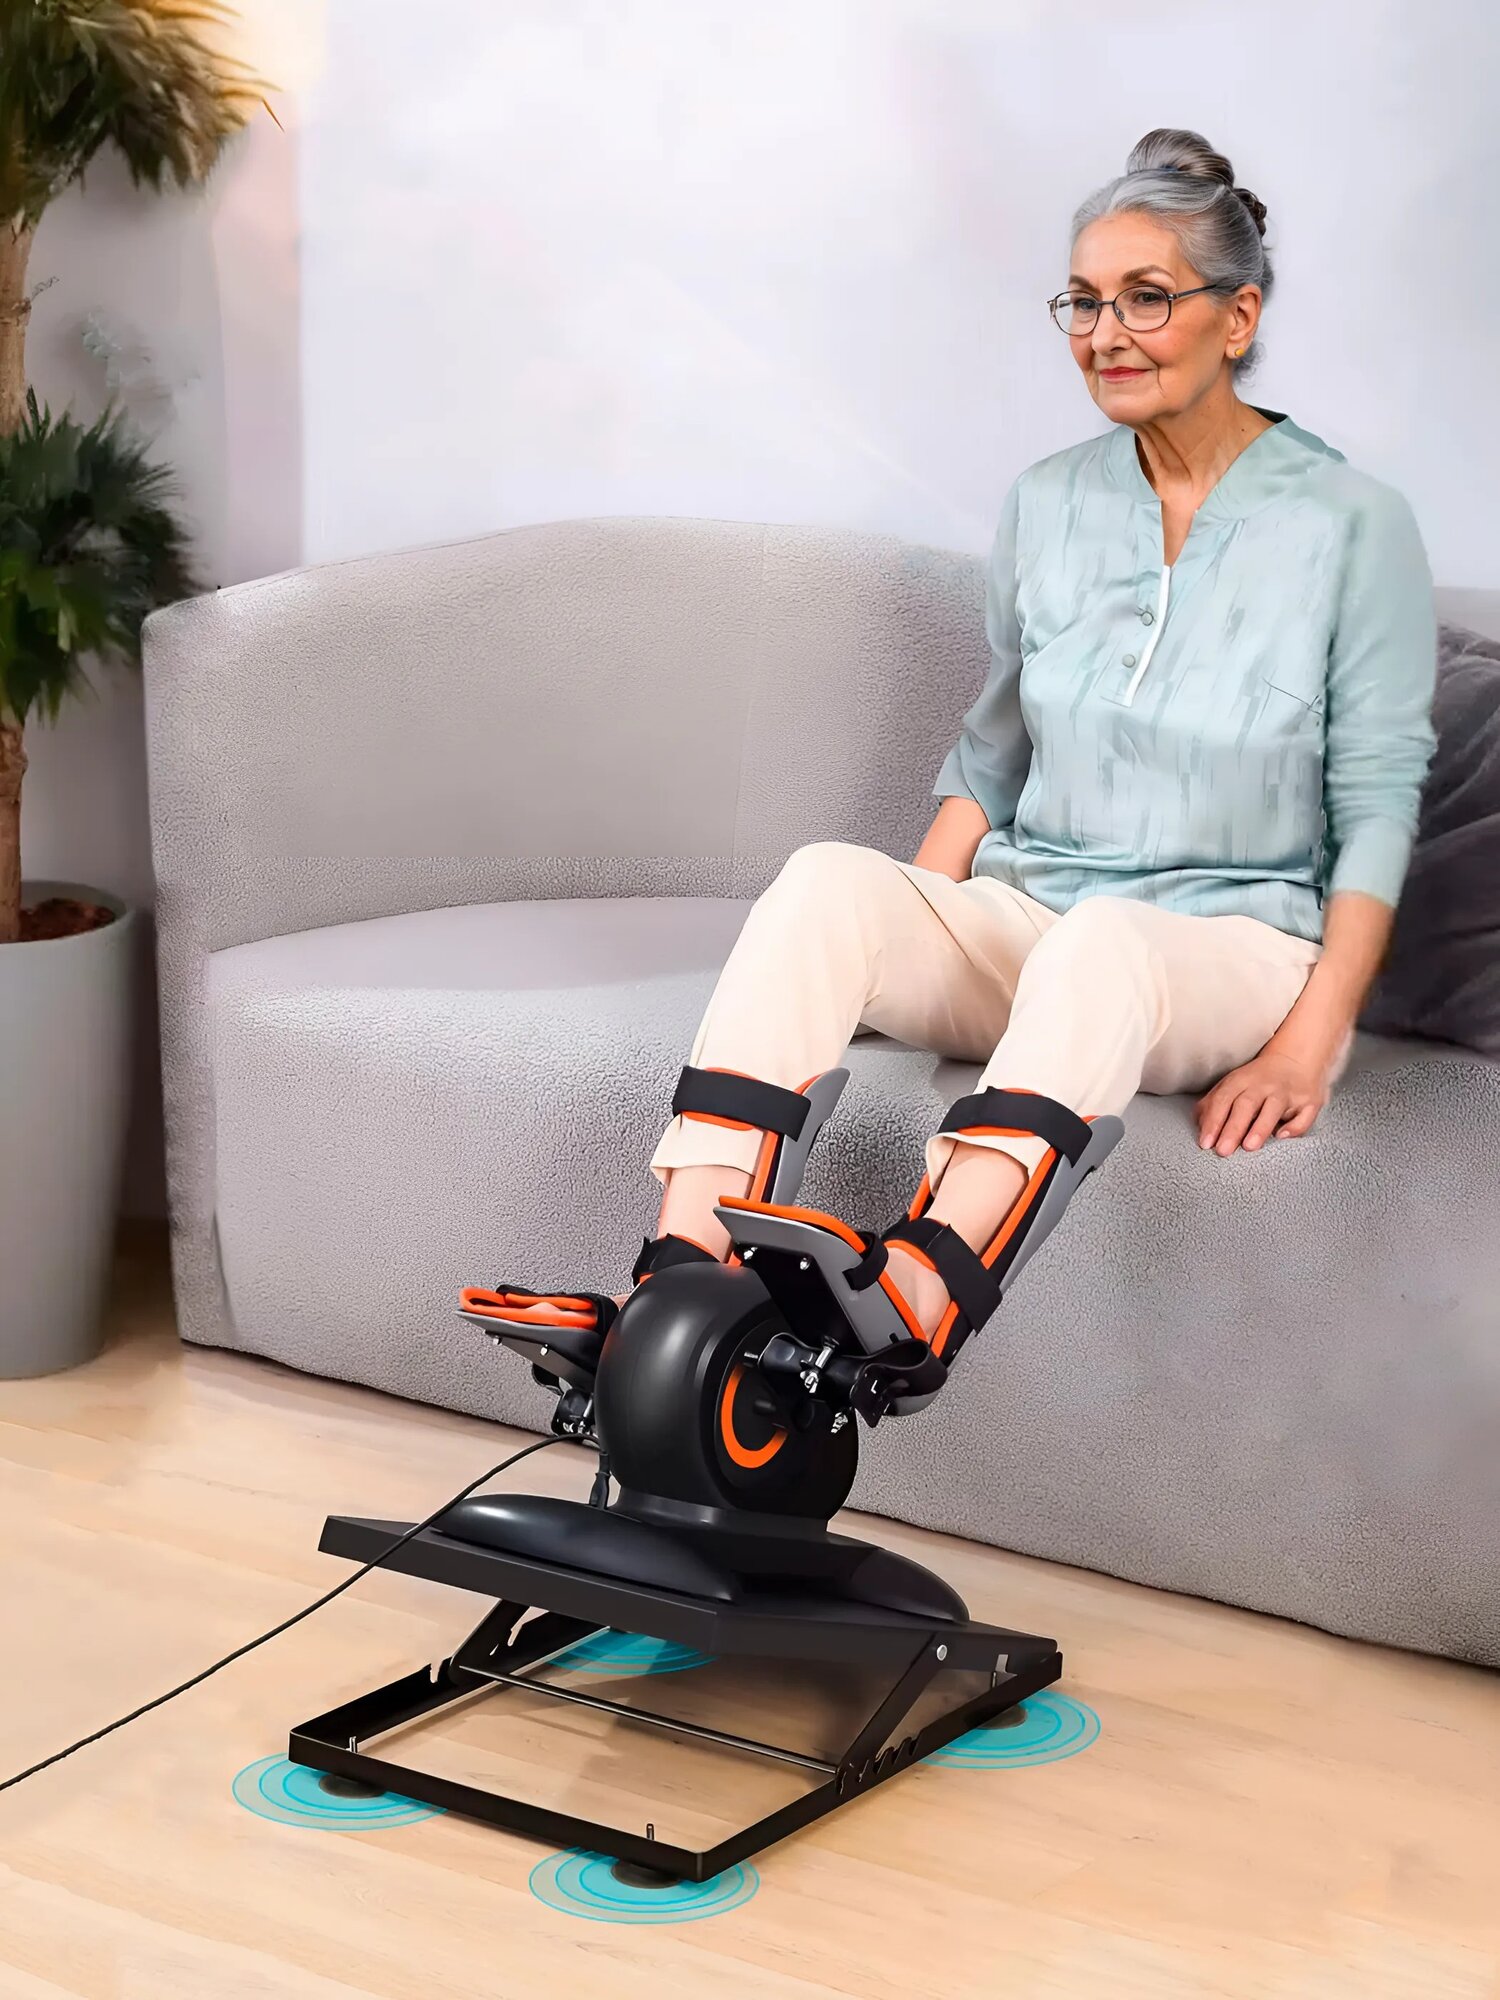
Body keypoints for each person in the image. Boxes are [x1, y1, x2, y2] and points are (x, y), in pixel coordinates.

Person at [464, 125, 1437, 1384]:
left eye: (1146, 298)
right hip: (1042, 924)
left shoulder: (1355, 524)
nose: (1106, 334)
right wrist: (906, 934)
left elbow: (1378, 806)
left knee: (1105, 941)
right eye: (1084, 302)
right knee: (828, 880)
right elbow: (993, 752)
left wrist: (1311, 1043)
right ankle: (681, 1282)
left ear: (1237, 316)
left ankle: (916, 1299)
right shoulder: (1048, 501)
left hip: (1233, 946)